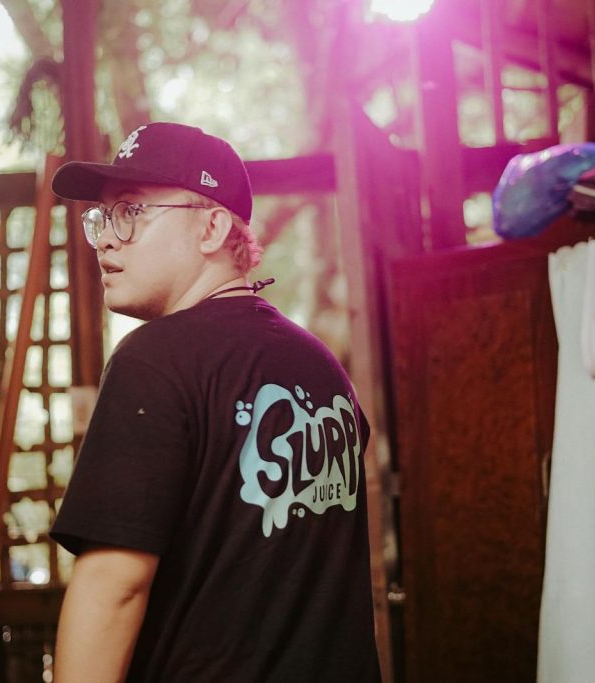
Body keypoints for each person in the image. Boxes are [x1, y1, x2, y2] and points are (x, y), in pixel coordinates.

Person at [48, 122, 381, 682]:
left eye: (131, 212)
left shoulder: (152, 361)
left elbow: (114, 587)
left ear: (211, 228)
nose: (105, 237)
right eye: (102, 218)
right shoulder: (323, 372)